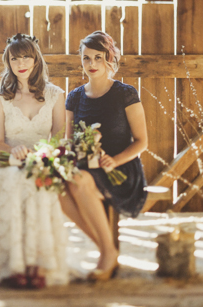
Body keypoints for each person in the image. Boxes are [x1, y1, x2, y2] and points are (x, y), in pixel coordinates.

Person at [0, 33, 68, 288]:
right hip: (7, 161)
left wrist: (42, 156)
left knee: (37, 182)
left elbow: (59, 140)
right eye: (15, 58)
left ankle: (36, 263)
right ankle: (14, 263)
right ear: (9, 62)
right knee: (14, 180)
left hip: (42, 161)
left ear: (36, 60)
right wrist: (12, 152)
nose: (21, 63)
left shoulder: (56, 95)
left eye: (26, 56)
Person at [61, 31, 148, 281]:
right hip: (85, 166)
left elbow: (142, 142)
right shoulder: (74, 98)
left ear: (109, 58)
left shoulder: (126, 94)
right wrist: (64, 159)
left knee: (80, 180)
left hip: (121, 169)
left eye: (98, 58)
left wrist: (115, 159)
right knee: (56, 188)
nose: (92, 64)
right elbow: (68, 142)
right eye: (86, 58)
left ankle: (107, 253)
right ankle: (106, 248)